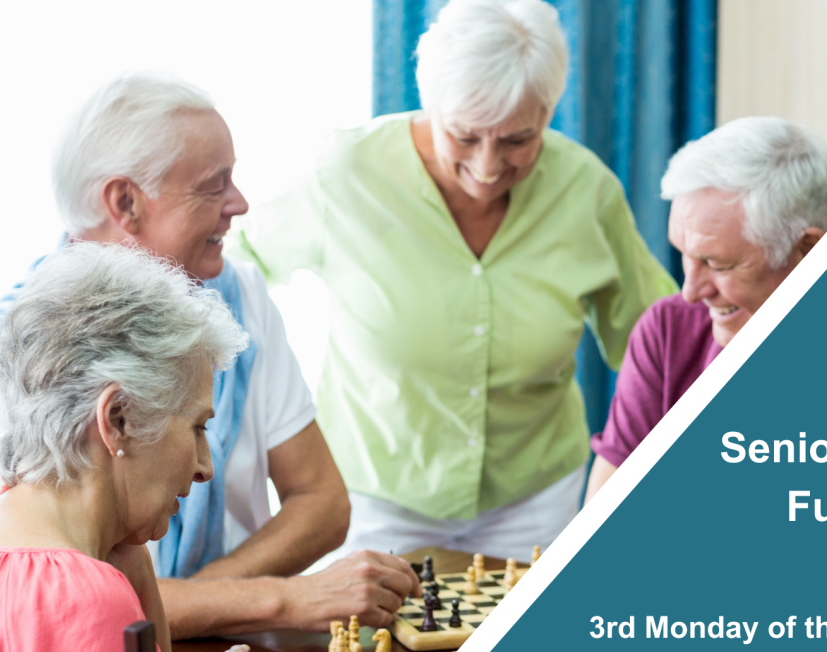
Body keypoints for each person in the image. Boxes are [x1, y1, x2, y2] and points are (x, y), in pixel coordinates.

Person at [0, 72, 419, 636]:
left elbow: (323, 501)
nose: (239, 204)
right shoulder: (2, 356)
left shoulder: (239, 299)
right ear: (126, 201)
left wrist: (196, 601)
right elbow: (47, 600)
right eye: (213, 186)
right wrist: (274, 598)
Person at [229, 0, 677, 561]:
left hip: (535, 499)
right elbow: (233, 271)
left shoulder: (587, 191)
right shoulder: (347, 174)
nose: (488, 166)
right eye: (465, 136)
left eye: (518, 139)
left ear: (549, 112)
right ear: (430, 104)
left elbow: (659, 338)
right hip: (376, 497)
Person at [0, 244, 251, 652]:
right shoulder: (90, 603)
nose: (204, 466)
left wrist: (132, 552)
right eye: (196, 427)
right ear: (117, 418)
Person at [584, 117, 827, 502]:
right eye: (685, 256)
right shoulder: (667, 330)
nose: (690, 292)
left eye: (718, 264)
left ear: (808, 251)